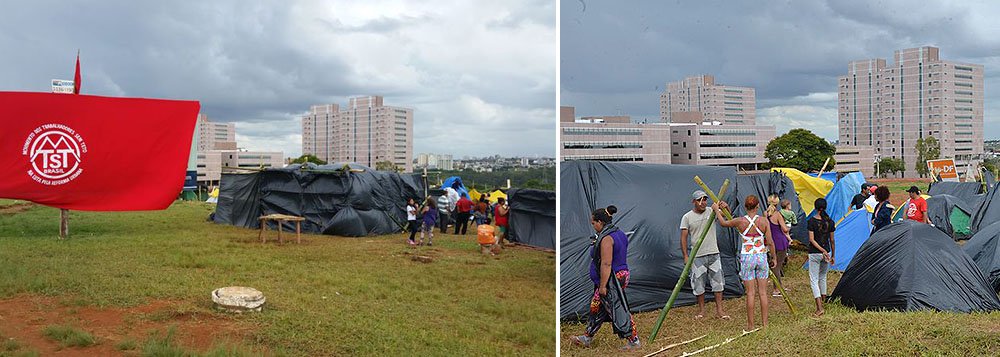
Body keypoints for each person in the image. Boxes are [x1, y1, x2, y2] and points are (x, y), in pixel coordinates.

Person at [570, 205, 640, 350]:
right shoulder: (619, 233)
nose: (593, 226)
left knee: (617, 308)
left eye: (594, 223)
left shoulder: (607, 238)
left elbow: (607, 263)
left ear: (600, 222)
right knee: (598, 307)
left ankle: (634, 340)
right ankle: (587, 337)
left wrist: (603, 286)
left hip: (612, 278)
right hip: (621, 274)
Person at [713, 196, 776, 331]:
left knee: (751, 293)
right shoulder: (764, 221)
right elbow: (770, 242)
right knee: (763, 293)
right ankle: (765, 324)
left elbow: (724, 223)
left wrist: (717, 210)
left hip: (747, 257)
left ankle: (751, 325)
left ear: (745, 207)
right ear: (758, 206)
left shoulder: (740, 221)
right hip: (761, 257)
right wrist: (774, 258)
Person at [679, 190, 730, 320]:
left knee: (718, 283)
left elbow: (727, 218)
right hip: (697, 256)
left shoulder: (712, 211)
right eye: (699, 200)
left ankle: (720, 310)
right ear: (693, 202)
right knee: (698, 284)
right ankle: (701, 310)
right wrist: (686, 256)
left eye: (705, 199)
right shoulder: (687, 217)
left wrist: (725, 207)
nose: (703, 202)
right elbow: (683, 238)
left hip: (713, 253)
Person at [807, 198, 836, 317]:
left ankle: (819, 308)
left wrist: (821, 250)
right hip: (827, 253)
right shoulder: (830, 222)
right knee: (823, 276)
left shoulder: (812, 222)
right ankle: (824, 301)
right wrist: (832, 254)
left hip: (815, 253)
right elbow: (832, 240)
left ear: (815, 207)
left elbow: (811, 240)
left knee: (814, 279)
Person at [765, 195, 791, 298]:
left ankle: (779, 286)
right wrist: (788, 227)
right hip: (780, 242)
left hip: (771, 241)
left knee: (775, 263)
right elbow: (784, 229)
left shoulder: (765, 214)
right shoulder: (778, 215)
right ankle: (776, 289)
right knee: (777, 266)